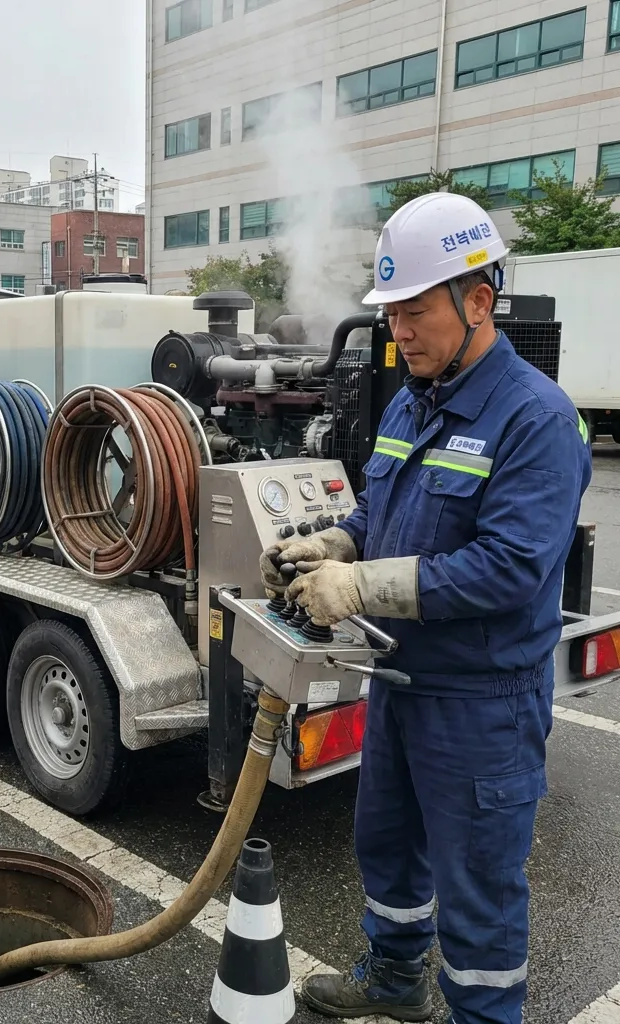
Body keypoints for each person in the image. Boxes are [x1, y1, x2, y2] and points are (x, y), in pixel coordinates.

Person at [259, 192, 592, 1024]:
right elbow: (382, 513)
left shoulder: (537, 421)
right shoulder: (414, 398)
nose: (399, 331)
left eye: (414, 310)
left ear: (478, 301)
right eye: (391, 313)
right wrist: (336, 545)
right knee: (388, 849)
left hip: (482, 702)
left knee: (477, 882)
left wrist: (362, 586)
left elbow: (509, 568)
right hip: (400, 683)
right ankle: (395, 979)